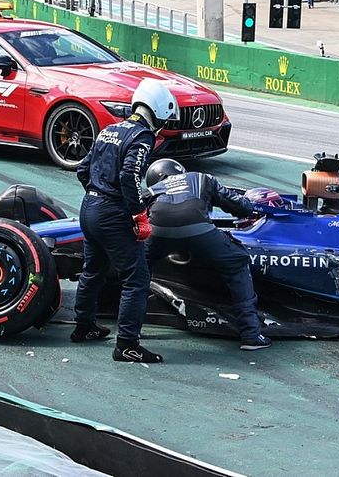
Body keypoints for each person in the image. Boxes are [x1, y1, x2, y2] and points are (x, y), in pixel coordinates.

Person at [73, 78, 178, 363]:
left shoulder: (110, 129)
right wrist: (137, 213)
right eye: (163, 121)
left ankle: (83, 327)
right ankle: (127, 344)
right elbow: (129, 175)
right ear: (155, 111)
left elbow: (83, 170)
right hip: (111, 213)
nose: (161, 128)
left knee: (92, 270)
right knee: (137, 278)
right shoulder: (141, 135)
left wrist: (97, 195)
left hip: (89, 208)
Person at [143, 160, 272, 351]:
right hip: (199, 228)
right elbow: (239, 206)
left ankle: (130, 332)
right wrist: (250, 207)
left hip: (159, 230)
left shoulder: (151, 191)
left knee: (138, 272)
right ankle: (251, 334)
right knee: (237, 262)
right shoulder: (201, 177)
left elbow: (136, 217)